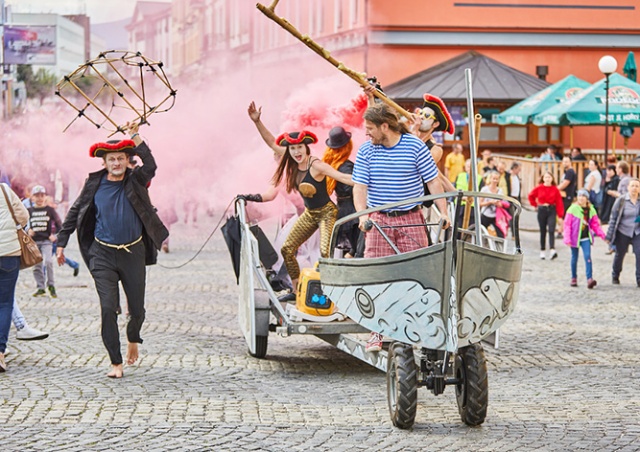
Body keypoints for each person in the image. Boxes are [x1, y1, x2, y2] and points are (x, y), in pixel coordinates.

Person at [56, 122, 169, 378]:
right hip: (102, 253)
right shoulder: (94, 184)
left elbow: (150, 164)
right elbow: (75, 211)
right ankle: (115, 363)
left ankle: (133, 336)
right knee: (108, 307)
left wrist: (135, 136)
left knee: (137, 310)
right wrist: (61, 241)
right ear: (104, 162)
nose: (116, 162)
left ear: (127, 160)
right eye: (111, 159)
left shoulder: (137, 180)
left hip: (133, 252)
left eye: (120, 158)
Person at [352, 102, 449, 352]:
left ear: (386, 126)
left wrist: (444, 211)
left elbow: (433, 182)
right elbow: (359, 187)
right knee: (378, 276)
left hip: (411, 217)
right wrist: (362, 216)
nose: (367, 133)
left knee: (418, 275)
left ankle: (415, 329)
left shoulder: (415, 147)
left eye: (371, 128)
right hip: (379, 219)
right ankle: (377, 331)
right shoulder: (366, 151)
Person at [246, 102, 353, 301]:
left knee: (324, 252)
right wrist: (257, 121)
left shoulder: (316, 164)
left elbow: (342, 177)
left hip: (327, 213)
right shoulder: (290, 164)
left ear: (306, 148)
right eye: (293, 149)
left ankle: (330, 293)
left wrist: (366, 180)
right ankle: (295, 291)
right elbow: (271, 143)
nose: (296, 152)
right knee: (287, 249)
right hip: (309, 214)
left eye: (299, 148)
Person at [0, 183, 29, 372]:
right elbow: (24, 217)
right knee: (4, 303)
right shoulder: (4, 189)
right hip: (9, 253)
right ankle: (0, 353)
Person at [323, 126, 360, 258]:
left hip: (343, 211)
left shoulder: (332, 164)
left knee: (350, 251)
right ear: (347, 145)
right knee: (356, 251)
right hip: (352, 213)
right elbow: (351, 188)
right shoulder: (346, 166)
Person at [563, 189, 606, 289]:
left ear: (587, 198)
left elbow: (595, 225)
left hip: (585, 237)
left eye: (583, 196)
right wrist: (567, 238)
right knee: (574, 257)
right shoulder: (572, 209)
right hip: (574, 238)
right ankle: (573, 278)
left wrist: (603, 235)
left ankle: (589, 279)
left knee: (588, 257)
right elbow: (567, 225)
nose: (581, 198)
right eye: (579, 196)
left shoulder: (591, 210)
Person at [28, 185, 62, 298]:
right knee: (37, 265)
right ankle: (40, 287)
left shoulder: (50, 210)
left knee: (48, 262)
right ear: (32, 198)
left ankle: (51, 285)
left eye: (42, 195)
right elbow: (21, 224)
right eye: (37, 196)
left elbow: (59, 225)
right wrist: (28, 230)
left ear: (45, 196)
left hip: (46, 241)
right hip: (34, 242)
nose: (39, 198)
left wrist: (54, 235)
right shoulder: (29, 211)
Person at [606, 178, 640, 287]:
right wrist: (609, 235)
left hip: (637, 232)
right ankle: (615, 275)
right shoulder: (621, 201)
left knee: (639, 255)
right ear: (628, 188)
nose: (634, 188)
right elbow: (613, 218)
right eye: (632, 186)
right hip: (623, 231)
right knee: (620, 254)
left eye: (637, 186)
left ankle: (639, 278)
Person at [528, 171, 565, 260]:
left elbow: (559, 202)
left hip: (551, 210)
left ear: (552, 179)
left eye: (549, 177)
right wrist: (535, 205)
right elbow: (531, 196)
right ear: (543, 179)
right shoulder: (539, 188)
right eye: (546, 177)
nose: (548, 179)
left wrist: (560, 215)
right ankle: (542, 250)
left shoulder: (555, 189)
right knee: (543, 231)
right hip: (542, 210)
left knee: (551, 229)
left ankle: (552, 249)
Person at [479, 171, 508, 238]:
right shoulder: (485, 189)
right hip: (485, 214)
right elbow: (480, 203)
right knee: (481, 232)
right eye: (493, 178)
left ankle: (499, 247)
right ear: (490, 179)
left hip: (496, 216)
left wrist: (498, 203)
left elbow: (502, 204)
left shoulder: (500, 191)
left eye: (496, 179)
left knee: (501, 234)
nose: (495, 181)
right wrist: (490, 202)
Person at [556, 156, 578, 238]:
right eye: (563, 161)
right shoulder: (567, 172)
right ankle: (562, 231)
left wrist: (555, 189)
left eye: (566, 161)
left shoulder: (570, 172)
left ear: (570, 162)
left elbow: (565, 183)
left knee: (563, 214)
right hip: (565, 195)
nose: (565, 163)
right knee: (562, 214)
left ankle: (562, 231)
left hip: (567, 195)